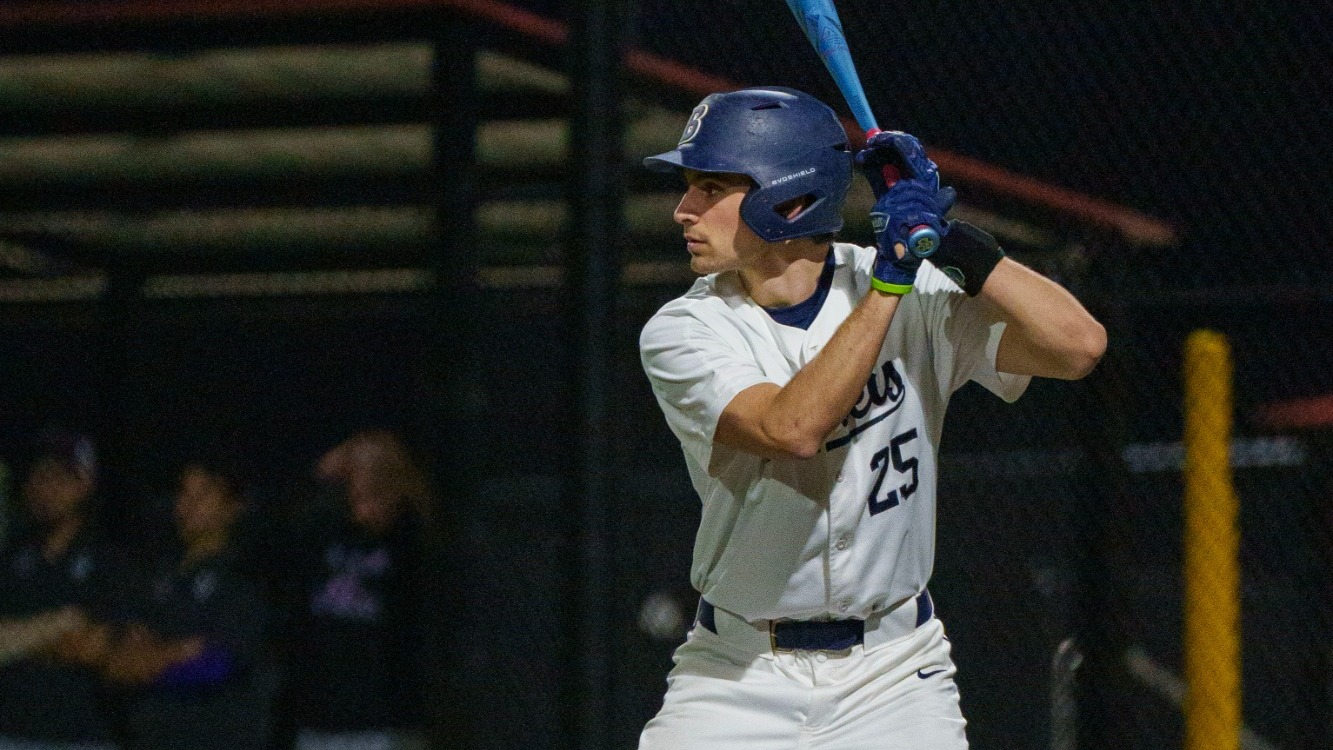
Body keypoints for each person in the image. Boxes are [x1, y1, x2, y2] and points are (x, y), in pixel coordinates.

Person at [635, 87, 1107, 749]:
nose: (683, 209)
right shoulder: (685, 327)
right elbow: (790, 430)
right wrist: (890, 283)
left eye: (710, 187)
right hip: (737, 672)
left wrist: (953, 240)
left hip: (893, 673)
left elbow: (1078, 347)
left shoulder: (908, 286)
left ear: (788, 198)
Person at [101, 454, 275, 750]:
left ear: (233, 506)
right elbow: (118, 657)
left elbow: (217, 663)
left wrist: (149, 663)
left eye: (204, 493)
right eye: (184, 492)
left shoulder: (246, 577)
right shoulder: (155, 573)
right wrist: (174, 652)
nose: (190, 503)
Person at [274, 429, 430, 750]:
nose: (365, 509)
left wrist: (381, 459)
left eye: (375, 495)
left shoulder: (407, 540)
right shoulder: (325, 531)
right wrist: (327, 467)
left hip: (384, 720)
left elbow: (424, 509)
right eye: (358, 495)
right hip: (318, 719)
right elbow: (282, 521)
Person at [0, 430, 134, 750]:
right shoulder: (13, 556)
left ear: (84, 485)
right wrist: (60, 623)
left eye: (58, 477)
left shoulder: (109, 561)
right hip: (11, 731)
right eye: (37, 476)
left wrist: (18, 639)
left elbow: (95, 648)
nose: (43, 487)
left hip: (82, 735)